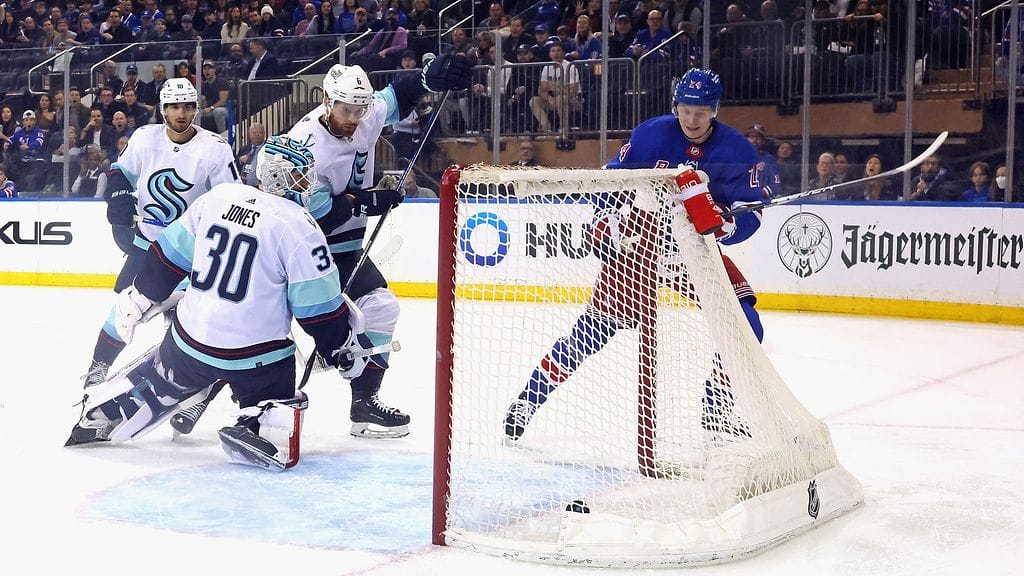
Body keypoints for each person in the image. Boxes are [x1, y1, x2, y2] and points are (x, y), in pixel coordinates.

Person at [65, 136, 367, 472]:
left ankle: (122, 403)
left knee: (175, 359)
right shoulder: (300, 226)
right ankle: (257, 421)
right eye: (300, 175)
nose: (307, 183)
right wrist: (339, 344)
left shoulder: (218, 198)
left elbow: (166, 259)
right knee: (278, 371)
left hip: (188, 347)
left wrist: (143, 296)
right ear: (279, 176)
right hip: (256, 360)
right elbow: (318, 312)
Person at [504, 68, 767, 443]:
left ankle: (716, 406)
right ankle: (528, 401)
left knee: (746, 321)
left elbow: (750, 213)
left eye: (701, 111)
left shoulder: (737, 150)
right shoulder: (651, 134)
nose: (692, 120)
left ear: (715, 110)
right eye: (686, 109)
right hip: (638, 244)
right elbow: (611, 181)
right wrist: (603, 217)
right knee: (592, 331)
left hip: (692, 251)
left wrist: (726, 227)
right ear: (676, 105)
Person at [283, 56, 471, 438]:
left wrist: (429, 76)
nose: (353, 117)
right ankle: (210, 387)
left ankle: (364, 404)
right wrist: (367, 201)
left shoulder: (365, 114)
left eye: (359, 109)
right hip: (303, 249)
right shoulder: (304, 145)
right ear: (326, 101)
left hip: (345, 248)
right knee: (266, 325)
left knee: (381, 307)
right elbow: (317, 216)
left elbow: (398, 95)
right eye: (345, 109)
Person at [77, 78, 239, 405]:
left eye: (188, 106)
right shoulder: (144, 138)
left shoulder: (215, 148)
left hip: (192, 251)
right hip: (148, 243)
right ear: (163, 109)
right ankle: (98, 367)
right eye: (175, 106)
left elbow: (230, 198)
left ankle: (196, 393)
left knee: (203, 327)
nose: (182, 113)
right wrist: (119, 195)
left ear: (196, 108)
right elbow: (122, 172)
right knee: (126, 309)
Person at [236, 122, 266, 186]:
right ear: (249, 135)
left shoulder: (268, 148)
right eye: (254, 133)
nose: (257, 135)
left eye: (260, 132)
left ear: (264, 134)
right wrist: (240, 160)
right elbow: (234, 166)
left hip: (260, 187)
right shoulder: (244, 149)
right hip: (244, 186)